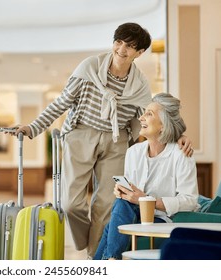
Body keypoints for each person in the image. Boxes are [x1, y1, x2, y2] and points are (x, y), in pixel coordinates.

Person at [12, 22, 193, 258]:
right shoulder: (90, 67)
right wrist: (33, 127)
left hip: (116, 141)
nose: (121, 49)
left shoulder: (139, 84)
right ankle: (92, 242)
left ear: (139, 53)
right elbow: (62, 102)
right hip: (80, 134)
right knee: (71, 204)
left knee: (105, 205)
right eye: (118, 42)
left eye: (129, 46)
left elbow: (154, 114)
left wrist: (178, 134)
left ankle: (95, 256)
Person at [93, 93, 199, 260]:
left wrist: (146, 200)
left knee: (111, 227)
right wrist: (124, 191)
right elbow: (130, 197)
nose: (141, 117)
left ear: (163, 125)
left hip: (162, 219)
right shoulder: (133, 152)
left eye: (149, 114)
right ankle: (110, 261)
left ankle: (105, 262)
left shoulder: (181, 155)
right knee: (121, 203)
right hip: (133, 214)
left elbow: (190, 200)